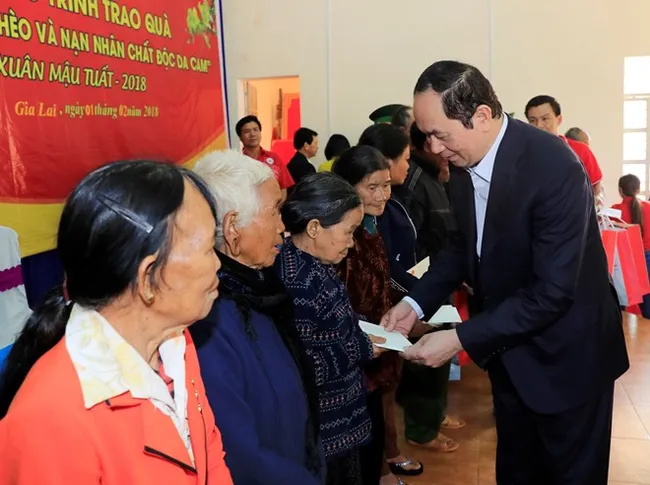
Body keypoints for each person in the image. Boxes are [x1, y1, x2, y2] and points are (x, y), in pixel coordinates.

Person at [381, 60, 629, 485]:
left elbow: (552, 293)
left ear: (480, 116)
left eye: (441, 134)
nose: (434, 148)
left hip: (568, 357)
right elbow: (461, 246)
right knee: (517, 471)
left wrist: (459, 338)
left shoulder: (552, 166)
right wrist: (413, 302)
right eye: (426, 136)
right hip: (510, 353)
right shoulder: (463, 162)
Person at [0, 161, 232, 485]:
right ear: (148, 278)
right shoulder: (48, 420)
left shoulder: (175, 346)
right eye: (209, 248)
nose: (218, 263)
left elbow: (210, 457)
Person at [190, 150, 323, 485]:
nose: (284, 227)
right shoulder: (209, 320)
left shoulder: (263, 289)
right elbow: (240, 455)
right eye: (275, 211)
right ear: (232, 228)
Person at [276, 172, 387, 485]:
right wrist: (365, 347)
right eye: (348, 232)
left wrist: (363, 328)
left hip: (342, 421)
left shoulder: (314, 266)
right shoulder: (298, 281)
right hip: (328, 430)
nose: (352, 244)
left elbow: (332, 327)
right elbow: (305, 366)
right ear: (314, 228)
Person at [360, 123, 464, 454]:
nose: (410, 164)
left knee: (395, 382)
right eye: (405, 158)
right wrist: (415, 301)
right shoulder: (368, 216)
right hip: (392, 307)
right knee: (383, 391)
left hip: (417, 290)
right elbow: (388, 266)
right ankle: (397, 447)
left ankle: (403, 439)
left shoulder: (396, 205)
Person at [333, 146, 422, 485]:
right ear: (347, 186)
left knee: (374, 429)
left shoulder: (370, 227)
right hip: (355, 356)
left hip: (380, 343)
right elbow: (339, 305)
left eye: (386, 185)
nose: (383, 194)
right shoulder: (340, 238)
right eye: (373, 187)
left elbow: (385, 279)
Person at [524, 95, 603, 196]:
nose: (539, 125)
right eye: (532, 120)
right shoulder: (523, 153)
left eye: (545, 119)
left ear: (559, 119)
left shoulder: (580, 150)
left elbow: (595, 187)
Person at [612, 174, 650, 318]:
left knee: (622, 298)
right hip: (648, 256)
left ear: (620, 191)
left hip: (626, 262)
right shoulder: (648, 207)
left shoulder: (614, 212)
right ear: (638, 189)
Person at [236, 115, 295, 197]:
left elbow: (283, 188)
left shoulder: (274, 158)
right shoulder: (236, 162)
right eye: (247, 131)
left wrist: (277, 208)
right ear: (240, 137)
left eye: (255, 130)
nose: (252, 134)